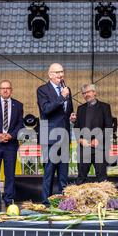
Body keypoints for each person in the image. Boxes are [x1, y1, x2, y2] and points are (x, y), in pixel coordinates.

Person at [37, 63, 75, 205]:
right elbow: (46, 110)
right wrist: (61, 97)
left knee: (63, 173)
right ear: (50, 74)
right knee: (49, 171)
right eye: (57, 72)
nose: (61, 75)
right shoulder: (42, 90)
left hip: (65, 135)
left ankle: (63, 202)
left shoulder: (66, 89)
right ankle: (46, 202)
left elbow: (68, 110)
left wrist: (71, 116)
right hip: (50, 137)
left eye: (62, 71)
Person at [0, 80, 24, 206]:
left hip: (10, 144)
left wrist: (11, 135)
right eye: (3, 88)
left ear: (11, 90)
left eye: (7, 88)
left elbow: (20, 124)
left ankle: (8, 200)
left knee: (10, 174)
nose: (5, 90)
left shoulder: (18, 105)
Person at [74, 83, 113, 184]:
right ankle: (77, 200)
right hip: (84, 149)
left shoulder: (105, 107)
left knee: (102, 179)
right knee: (81, 178)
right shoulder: (80, 109)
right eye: (84, 93)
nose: (86, 95)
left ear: (94, 92)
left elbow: (108, 127)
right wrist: (80, 140)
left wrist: (98, 139)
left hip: (99, 148)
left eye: (88, 92)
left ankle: (104, 200)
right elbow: (76, 127)